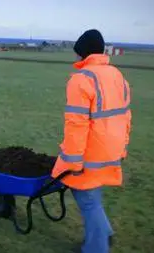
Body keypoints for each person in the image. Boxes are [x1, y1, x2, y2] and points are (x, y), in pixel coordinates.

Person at [51, 29, 132, 253]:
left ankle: (97, 248)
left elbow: (76, 126)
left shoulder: (81, 80)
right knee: (93, 194)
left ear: (84, 53)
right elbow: (126, 116)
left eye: (77, 53)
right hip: (112, 148)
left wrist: (73, 163)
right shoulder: (117, 75)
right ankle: (104, 233)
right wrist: (122, 148)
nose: (75, 58)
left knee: (86, 197)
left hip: (91, 151)